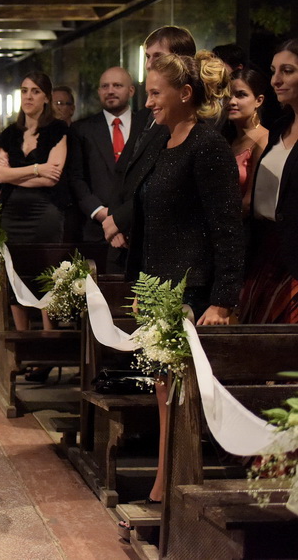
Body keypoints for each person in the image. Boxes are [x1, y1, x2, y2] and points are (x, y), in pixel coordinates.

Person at [127, 51, 242, 506]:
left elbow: (228, 229)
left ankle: (172, 489)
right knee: (162, 394)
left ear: (185, 93)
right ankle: (166, 482)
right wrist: (139, 286)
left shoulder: (207, 146)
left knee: (178, 398)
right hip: (158, 289)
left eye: (156, 93)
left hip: (192, 291)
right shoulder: (161, 138)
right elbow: (147, 220)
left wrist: (222, 300)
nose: (149, 102)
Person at [103, 26, 197, 250]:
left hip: (156, 235)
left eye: (158, 56)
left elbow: (163, 181)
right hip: (122, 233)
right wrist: (114, 217)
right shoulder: (146, 113)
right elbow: (124, 169)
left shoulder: (187, 119)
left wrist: (122, 219)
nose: (149, 64)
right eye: (147, 56)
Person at [0, 71, 67, 330]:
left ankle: (48, 340)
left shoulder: (58, 130)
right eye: (24, 90)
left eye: (35, 91)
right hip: (12, 214)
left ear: (46, 97)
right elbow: (0, 175)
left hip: (43, 212)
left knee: (45, 273)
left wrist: (16, 175)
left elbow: (53, 176)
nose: (28, 96)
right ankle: (21, 342)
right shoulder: (10, 133)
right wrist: (37, 169)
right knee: (15, 274)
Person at [238, 39, 298, 324]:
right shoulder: (277, 129)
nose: (276, 80)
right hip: (264, 251)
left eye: (287, 70)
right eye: (274, 71)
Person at [67, 67, 148, 269]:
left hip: (139, 227)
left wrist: (123, 218)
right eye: (105, 86)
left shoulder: (148, 126)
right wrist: (103, 214)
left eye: (117, 85)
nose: (110, 90)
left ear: (131, 91)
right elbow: (76, 178)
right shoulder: (81, 129)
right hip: (95, 229)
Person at [224, 67, 269, 214]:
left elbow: (250, 202)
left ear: (258, 101)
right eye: (227, 95)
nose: (231, 101)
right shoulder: (227, 138)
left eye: (241, 95)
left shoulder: (263, 140)